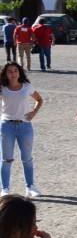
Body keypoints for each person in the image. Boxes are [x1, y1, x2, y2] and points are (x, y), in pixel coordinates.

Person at [1, 63, 43, 197]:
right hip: (6, 126)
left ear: (19, 72)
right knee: (6, 159)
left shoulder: (27, 87)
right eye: (9, 71)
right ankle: (5, 189)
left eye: (15, 71)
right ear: (5, 74)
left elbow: (39, 99)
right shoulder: (2, 88)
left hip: (25, 126)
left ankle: (30, 186)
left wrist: (33, 113)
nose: (13, 74)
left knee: (27, 158)